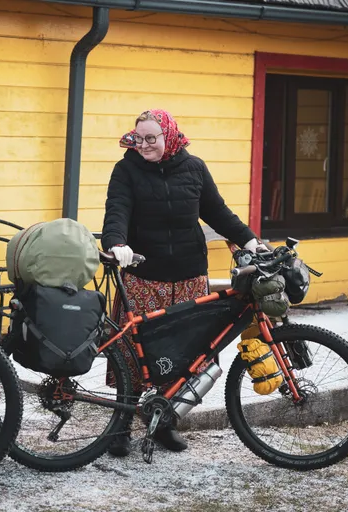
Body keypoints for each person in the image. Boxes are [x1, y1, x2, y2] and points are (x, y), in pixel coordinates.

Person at [101, 109, 267, 457]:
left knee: (185, 355)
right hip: (145, 278)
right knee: (133, 355)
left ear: (169, 136)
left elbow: (218, 212)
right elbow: (117, 209)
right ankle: (119, 428)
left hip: (190, 277)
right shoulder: (127, 169)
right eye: (138, 138)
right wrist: (117, 244)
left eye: (151, 138)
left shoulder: (194, 168)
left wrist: (251, 241)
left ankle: (164, 424)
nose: (143, 145)